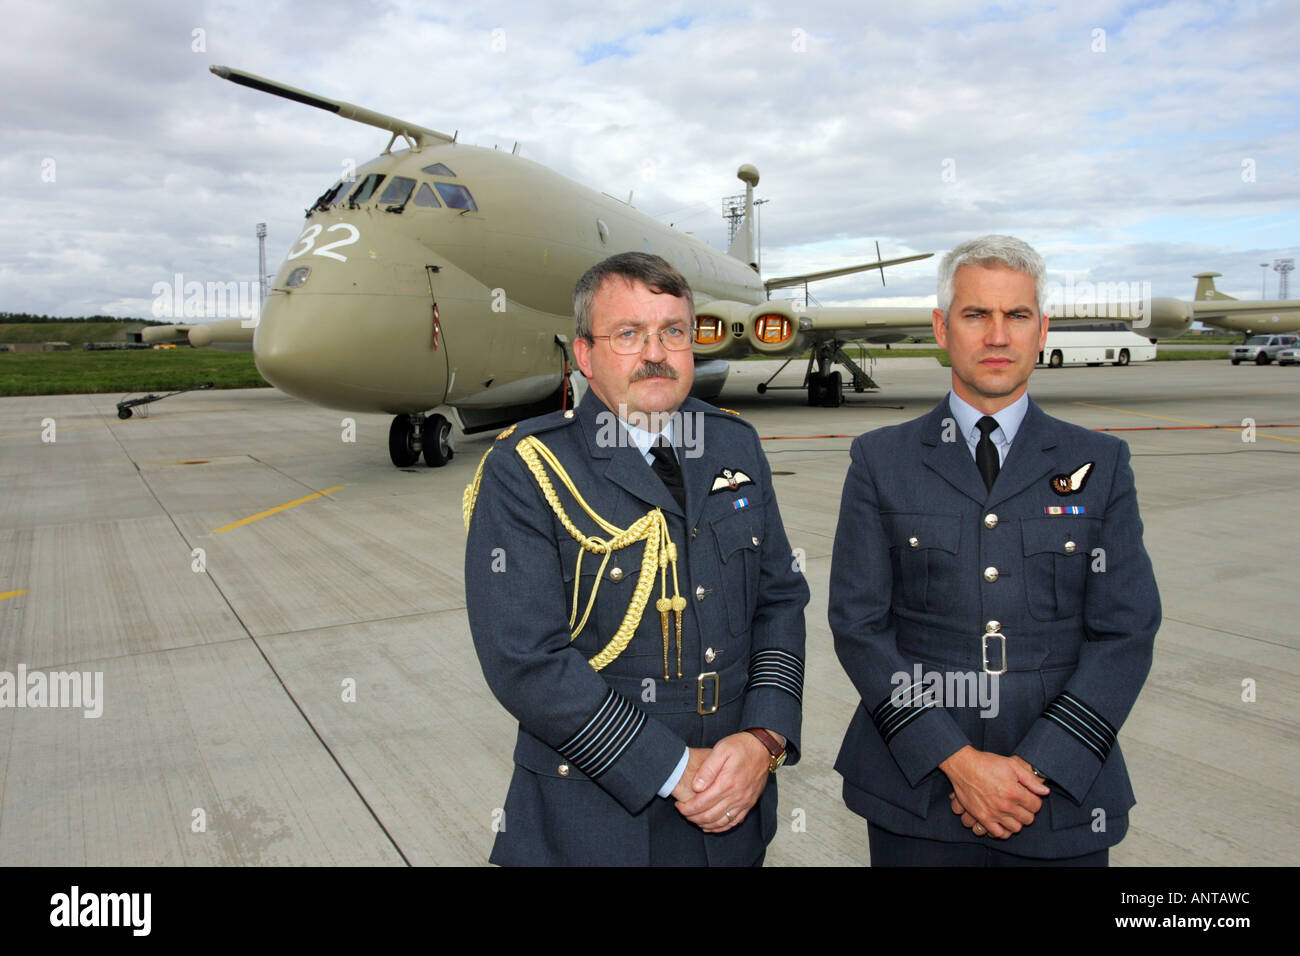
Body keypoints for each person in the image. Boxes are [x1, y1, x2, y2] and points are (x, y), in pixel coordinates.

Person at [464, 252, 808, 865]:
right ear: (585, 355)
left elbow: (780, 600)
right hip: (593, 819)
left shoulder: (734, 442)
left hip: (736, 805)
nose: (656, 352)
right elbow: (525, 658)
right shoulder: (528, 468)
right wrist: (674, 769)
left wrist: (764, 739)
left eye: (673, 332)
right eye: (628, 334)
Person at [829, 235, 1160, 866]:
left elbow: (1126, 630)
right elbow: (860, 627)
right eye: (976, 314)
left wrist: (1039, 766)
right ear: (941, 328)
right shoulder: (881, 460)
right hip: (919, 794)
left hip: (1057, 798)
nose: (998, 335)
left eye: (1018, 315)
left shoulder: (1101, 461)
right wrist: (956, 761)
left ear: (1042, 331)